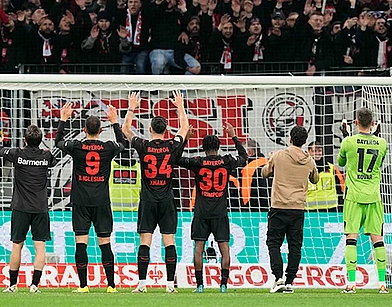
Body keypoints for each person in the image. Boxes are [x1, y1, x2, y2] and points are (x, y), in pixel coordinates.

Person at [122, 91, 190, 293]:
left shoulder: (143, 145)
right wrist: (179, 106)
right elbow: (185, 128)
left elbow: (126, 129)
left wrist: (132, 106)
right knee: (169, 241)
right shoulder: (171, 146)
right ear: (166, 130)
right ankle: (170, 285)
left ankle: (142, 284)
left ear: (150, 129)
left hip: (148, 200)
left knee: (145, 241)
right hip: (167, 200)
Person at [56, 102, 127, 293]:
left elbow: (57, 142)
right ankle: (111, 286)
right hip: (102, 201)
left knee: (81, 242)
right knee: (105, 243)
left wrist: (63, 119)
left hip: (80, 201)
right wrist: (115, 123)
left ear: (84, 129)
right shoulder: (108, 148)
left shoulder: (76, 147)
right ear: (101, 130)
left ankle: (83, 286)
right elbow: (124, 144)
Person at [178, 123, 248, 293]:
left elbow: (176, 159)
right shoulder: (227, 161)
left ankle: (200, 285)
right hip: (220, 212)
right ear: (219, 147)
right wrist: (234, 136)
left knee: (198, 249)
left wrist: (185, 139)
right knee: (224, 248)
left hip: (201, 212)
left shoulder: (198, 162)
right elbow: (244, 157)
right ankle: (223, 284)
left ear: (203, 148)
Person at [0, 125, 57, 293]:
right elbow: (54, 159)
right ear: (41, 141)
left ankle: (12, 285)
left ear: (25, 140)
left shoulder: (18, 154)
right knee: (40, 246)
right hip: (40, 208)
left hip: (20, 207)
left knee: (17, 245)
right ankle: (34, 285)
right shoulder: (46, 156)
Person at [262, 125, 319, 293]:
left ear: (290, 138)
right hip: (298, 209)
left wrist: (270, 160)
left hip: (279, 206)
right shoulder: (309, 160)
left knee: (273, 243)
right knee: (295, 246)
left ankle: (278, 277)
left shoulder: (279, 156)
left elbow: (264, 173)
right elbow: (315, 179)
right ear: (304, 141)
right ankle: (289, 281)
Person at [338, 107, 388, 294]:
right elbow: (379, 161)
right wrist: (375, 136)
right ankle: (382, 284)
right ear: (373, 123)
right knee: (378, 241)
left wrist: (346, 135)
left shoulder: (348, 142)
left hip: (353, 197)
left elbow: (341, 163)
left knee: (351, 239)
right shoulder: (382, 143)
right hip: (373, 197)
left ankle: (351, 284)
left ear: (356, 122)